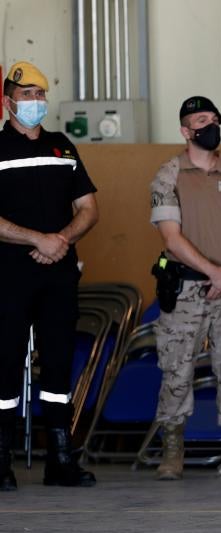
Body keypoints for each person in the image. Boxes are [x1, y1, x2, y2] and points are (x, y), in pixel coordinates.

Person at [149, 96, 221, 481]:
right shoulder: (169, 174)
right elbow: (171, 237)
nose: (210, 125)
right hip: (185, 289)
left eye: (214, 118)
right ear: (186, 131)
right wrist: (214, 273)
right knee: (176, 368)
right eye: (201, 120)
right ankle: (172, 448)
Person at [0, 61, 99, 490]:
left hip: (58, 275)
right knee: (4, 365)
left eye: (40, 95)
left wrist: (58, 239)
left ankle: (61, 459)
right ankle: (1, 460)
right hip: (9, 275)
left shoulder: (62, 146)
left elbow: (89, 209)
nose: (36, 103)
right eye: (27, 96)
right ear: (8, 103)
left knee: (58, 364)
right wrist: (36, 240)